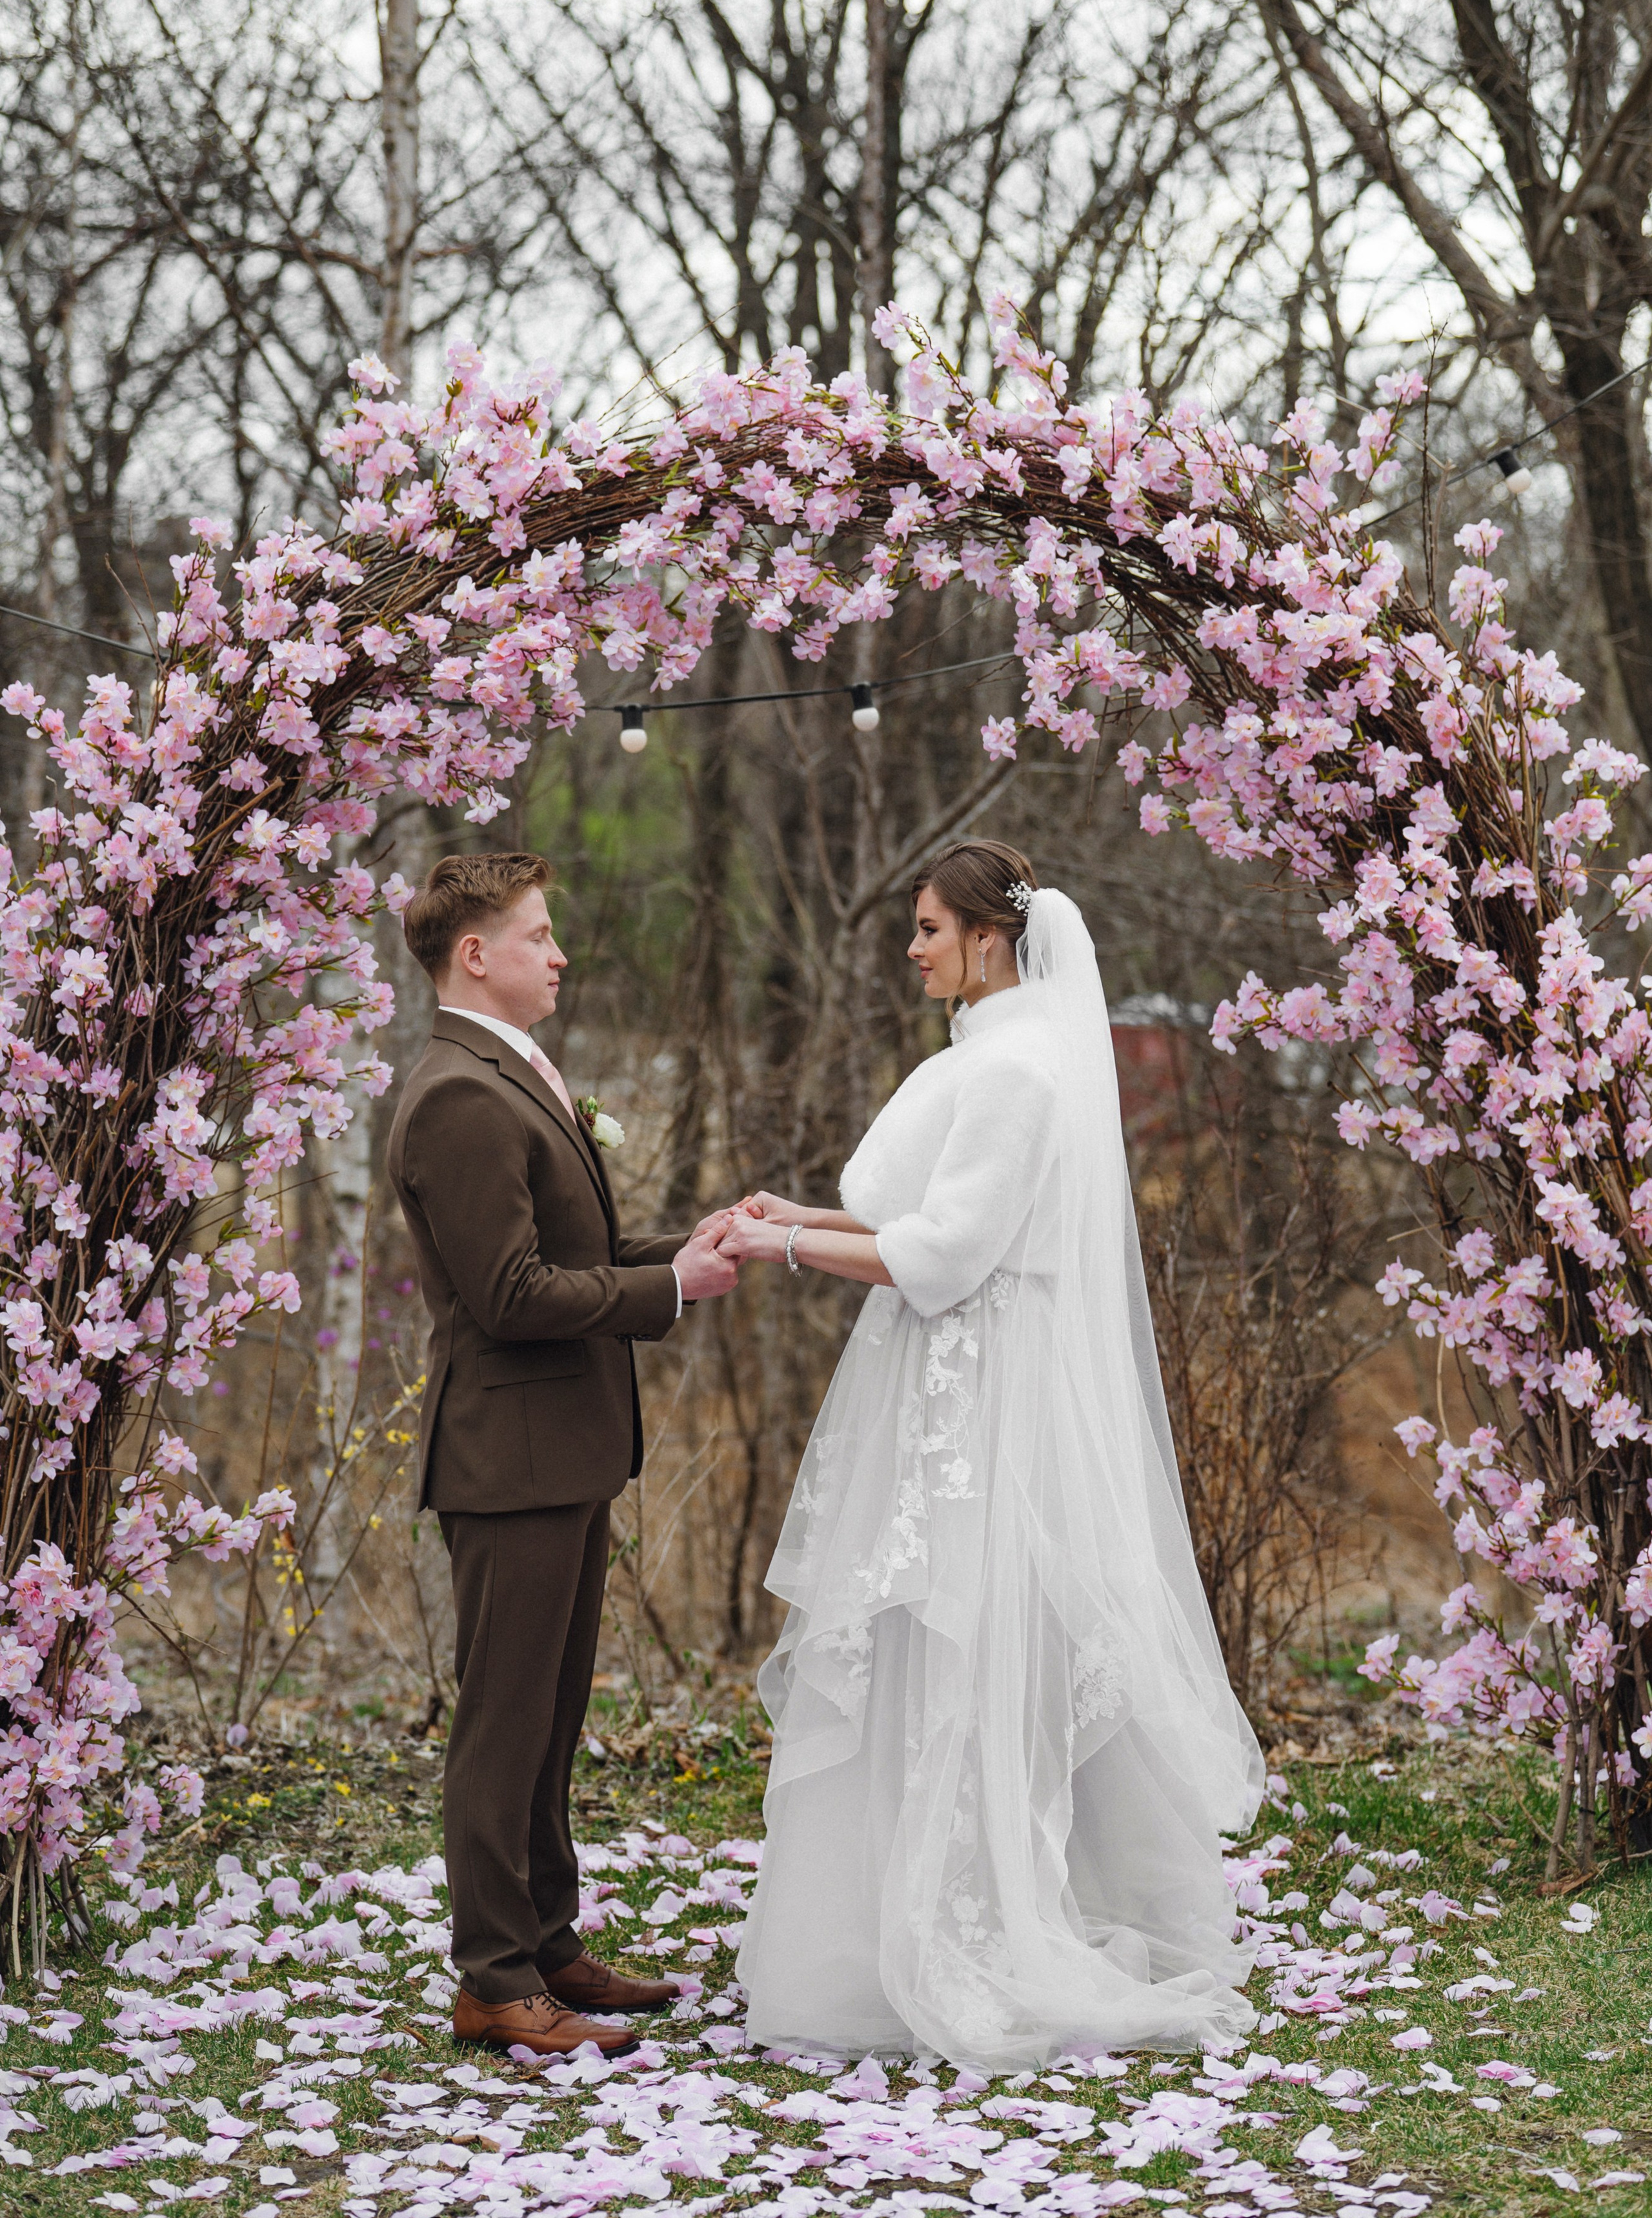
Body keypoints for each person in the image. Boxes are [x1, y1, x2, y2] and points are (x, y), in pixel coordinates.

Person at [718, 838, 1264, 2071]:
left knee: (961, 1635)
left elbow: (948, 1257)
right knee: (920, 1636)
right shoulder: (994, 1054)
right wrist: (789, 1214)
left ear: (989, 938)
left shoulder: (1018, 1070)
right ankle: (879, 1920)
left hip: (979, 1409)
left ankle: (966, 1918)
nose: (911, 948)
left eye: (926, 929)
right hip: (944, 1386)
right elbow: (926, 1219)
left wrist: (787, 1253)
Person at [387, 852, 741, 2059]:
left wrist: (688, 1247)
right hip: (510, 1456)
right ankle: (492, 1977)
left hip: (565, 1453)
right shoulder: (455, 1094)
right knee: (503, 1718)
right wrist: (667, 1290)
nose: (561, 953)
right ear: (474, 955)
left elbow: (571, 1247)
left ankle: (544, 1942)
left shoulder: (511, 1074)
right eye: (539, 936)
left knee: (549, 1715)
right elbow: (510, 1294)